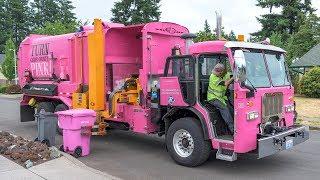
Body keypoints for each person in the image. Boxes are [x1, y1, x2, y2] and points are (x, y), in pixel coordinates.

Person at [207, 63, 234, 134]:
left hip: (221, 98)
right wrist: (234, 77)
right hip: (213, 98)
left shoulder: (226, 74)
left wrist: (235, 74)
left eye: (217, 72)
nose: (215, 73)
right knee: (224, 109)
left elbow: (231, 75)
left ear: (222, 72)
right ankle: (233, 130)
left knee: (232, 109)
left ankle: (237, 127)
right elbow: (226, 83)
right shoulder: (213, 77)